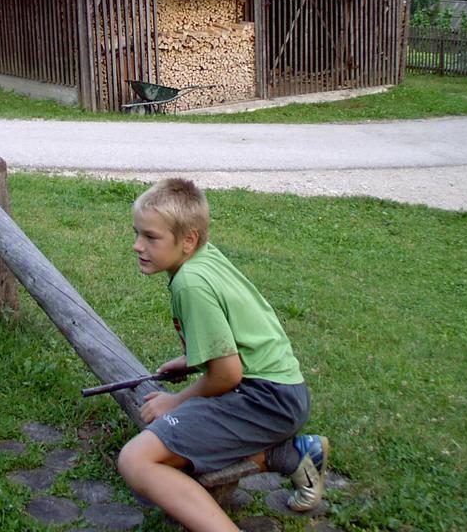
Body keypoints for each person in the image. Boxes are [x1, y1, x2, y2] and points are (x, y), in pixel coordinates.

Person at [118, 178, 328, 531]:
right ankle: (294, 454)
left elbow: (227, 375)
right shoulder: (204, 257)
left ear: (189, 240)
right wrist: (195, 360)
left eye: (151, 237)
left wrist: (177, 401)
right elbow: (239, 336)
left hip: (264, 399)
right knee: (169, 451)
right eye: (137, 233)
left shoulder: (190, 284)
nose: (138, 245)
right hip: (281, 391)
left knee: (136, 461)